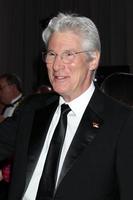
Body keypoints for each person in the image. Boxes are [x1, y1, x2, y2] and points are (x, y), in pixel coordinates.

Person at [0, 12, 133, 200]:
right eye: (52, 54)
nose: (56, 66)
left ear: (93, 59)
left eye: (68, 54)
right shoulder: (32, 110)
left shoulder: (123, 123)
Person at [0, 73, 23, 199]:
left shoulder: (26, 107)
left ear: (13, 87)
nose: (0, 92)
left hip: (13, 174)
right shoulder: (6, 108)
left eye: (1, 88)